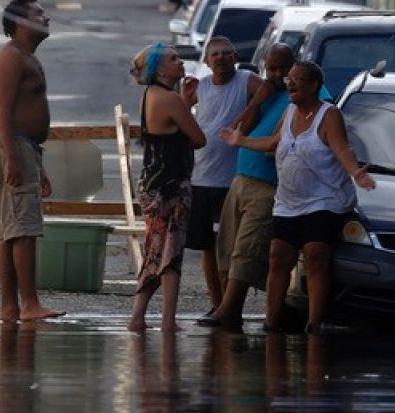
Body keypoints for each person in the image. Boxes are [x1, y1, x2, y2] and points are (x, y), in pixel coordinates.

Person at [221, 61, 375, 333]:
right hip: (289, 201)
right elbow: (274, 142)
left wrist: (355, 172)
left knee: (315, 255)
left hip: (324, 200)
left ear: (314, 85)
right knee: (278, 256)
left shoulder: (329, 115)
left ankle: (313, 323)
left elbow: (342, 148)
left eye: (297, 79)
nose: (289, 84)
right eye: (289, 79)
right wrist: (241, 141)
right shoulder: (290, 111)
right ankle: (272, 322)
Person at [197, 43, 299, 330]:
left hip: (268, 183)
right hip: (241, 177)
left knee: (247, 248)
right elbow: (239, 127)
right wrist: (257, 101)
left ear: (294, 67)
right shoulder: (268, 93)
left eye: (283, 69)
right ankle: (226, 307)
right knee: (226, 247)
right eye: (271, 69)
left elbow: (276, 143)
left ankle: (228, 311)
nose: (277, 75)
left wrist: (243, 141)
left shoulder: (299, 95)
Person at [0, 0, 63, 322]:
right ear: (20, 22)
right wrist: (13, 158)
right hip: (11, 147)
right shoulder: (11, 57)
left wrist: (36, 165)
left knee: (11, 230)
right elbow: (1, 110)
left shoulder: (25, 56)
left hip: (21, 147)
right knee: (22, 230)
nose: (46, 17)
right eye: (38, 13)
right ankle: (28, 304)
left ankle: (11, 307)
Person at [183, 36, 268, 319]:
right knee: (207, 248)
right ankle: (216, 304)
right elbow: (181, 115)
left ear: (235, 57)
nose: (220, 58)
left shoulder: (247, 80)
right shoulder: (201, 86)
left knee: (230, 247)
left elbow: (269, 90)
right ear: (207, 61)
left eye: (225, 53)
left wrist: (248, 115)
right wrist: (184, 97)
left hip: (232, 182)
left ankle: (230, 308)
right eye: (214, 54)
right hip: (201, 178)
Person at [128, 42, 206, 332]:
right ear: (159, 69)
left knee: (156, 251)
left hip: (152, 183)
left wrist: (184, 102)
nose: (180, 62)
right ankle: (167, 320)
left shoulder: (152, 94)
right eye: (173, 59)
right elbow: (198, 139)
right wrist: (188, 104)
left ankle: (138, 316)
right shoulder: (170, 99)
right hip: (170, 187)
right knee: (170, 255)